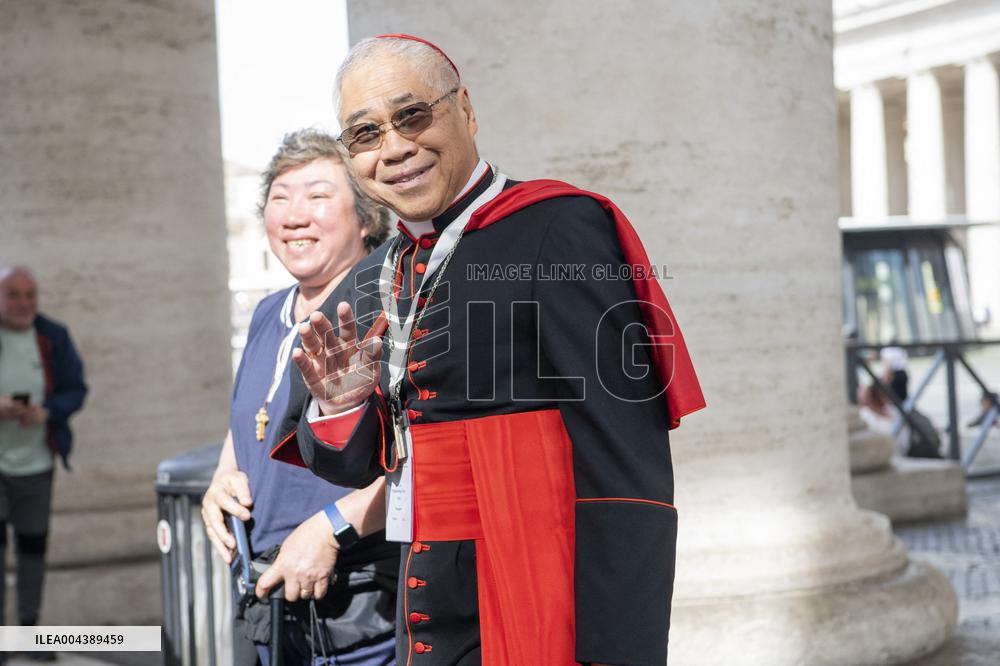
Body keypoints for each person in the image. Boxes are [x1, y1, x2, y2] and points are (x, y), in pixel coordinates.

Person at [264, 36, 706, 665]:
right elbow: (353, 465)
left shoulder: (558, 228)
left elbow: (625, 465)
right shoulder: (372, 277)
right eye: (365, 134)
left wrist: (614, 652)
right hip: (424, 606)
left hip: (535, 593)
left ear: (465, 110)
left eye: (412, 115)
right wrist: (339, 407)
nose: (395, 148)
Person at [199, 130, 398, 665]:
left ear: (365, 218)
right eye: (280, 198)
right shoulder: (269, 311)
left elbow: (430, 459)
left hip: (357, 614)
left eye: (318, 195)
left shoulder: (388, 310)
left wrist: (332, 527)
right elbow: (251, 417)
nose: (294, 215)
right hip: (269, 606)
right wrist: (223, 475)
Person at [0, 266, 87, 660]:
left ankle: (28, 633)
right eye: (13, 294)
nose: (23, 303)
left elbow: (76, 389)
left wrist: (47, 412)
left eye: (30, 294)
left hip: (36, 464)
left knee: (32, 549)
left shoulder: (54, 335)